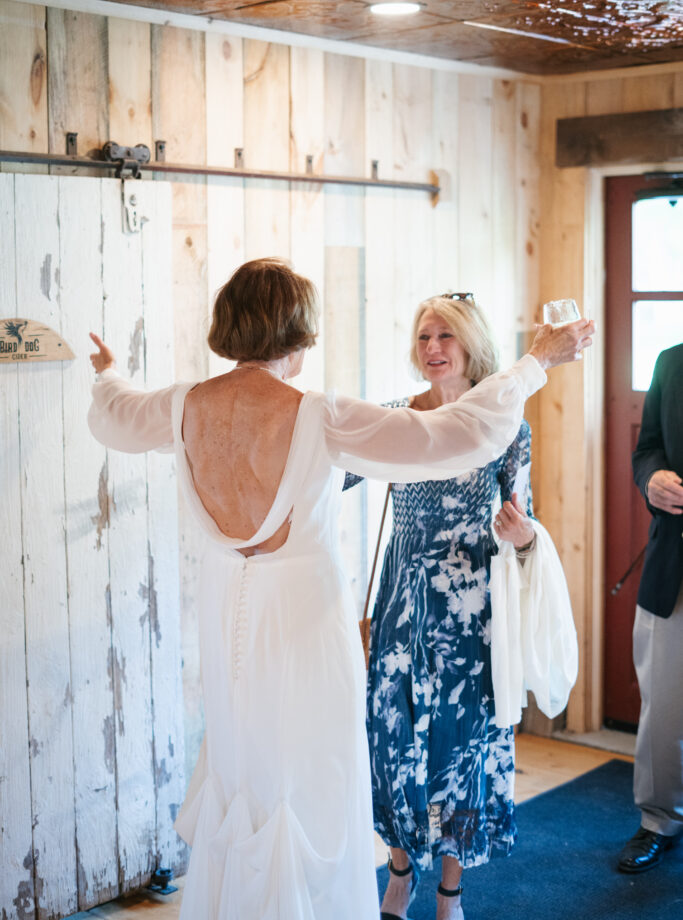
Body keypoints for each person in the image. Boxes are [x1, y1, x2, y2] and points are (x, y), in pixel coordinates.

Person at [87, 259, 593, 920]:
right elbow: (454, 435)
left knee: (245, 761)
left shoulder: (183, 404)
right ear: (296, 334)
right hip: (302, 615)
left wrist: (106, 373)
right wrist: (534, 362)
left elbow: (116, 418)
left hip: (227, 610)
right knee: (316, 771)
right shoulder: (316, 416)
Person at [351, 294, 561, 920]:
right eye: (423, 336)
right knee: (392, 740)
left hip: (472, 613)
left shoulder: (507, 426)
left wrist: (523, 536)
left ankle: (449, 890)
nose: (433, 347)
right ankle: (397, 868)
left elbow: (526, 525)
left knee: (458, 751)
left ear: (472, 346)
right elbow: (329, 472)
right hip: (401, 605)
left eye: (446, 335)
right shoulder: (395, 418)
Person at [617, 341, 683, 874]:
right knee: (662, 707)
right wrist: (652, 480)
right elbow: (647, 450)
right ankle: (659, 819)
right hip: (673, 565)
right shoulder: (670, 360)